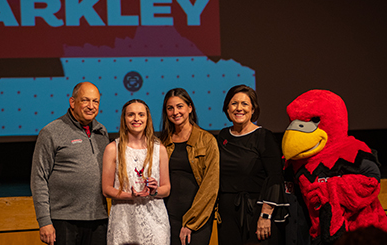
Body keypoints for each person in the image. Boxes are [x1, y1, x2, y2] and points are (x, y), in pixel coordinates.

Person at [30, 82, 110, 245]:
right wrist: (44, 221)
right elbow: (39, 178)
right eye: (85, 100)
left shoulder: (102, 132)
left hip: (98, 219)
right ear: (72, 102)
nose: (91, 106)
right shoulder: (51, 132)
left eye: (95, 101)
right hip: (64, 221)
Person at [217, 84, 289, 245]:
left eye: (245, 104)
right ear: (227, 108)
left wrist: (265, 215)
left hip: (256, 212)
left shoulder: (264, 137)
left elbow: (275, 178)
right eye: (234, 103)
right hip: (227, 216)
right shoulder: (222, 136)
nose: (239, 108)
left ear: (253, 109)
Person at [102, 99, 171, 245]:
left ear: (147, 118)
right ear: (124, 119)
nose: (136, 119)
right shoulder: (113, 149)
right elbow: (106, 189)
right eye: (131, 115)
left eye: (141, 114)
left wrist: (154, 191)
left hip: (155, 221)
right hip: (124, 221)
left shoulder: (159, 149)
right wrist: (130, 196)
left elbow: (166, 189)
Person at [160, 88, 219, 245]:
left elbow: (210, 186)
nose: (175, 112)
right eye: (170, 108)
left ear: (190, 108)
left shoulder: (207, 140)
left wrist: (191, 223)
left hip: (197, 219)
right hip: (168, 217)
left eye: (180, 106)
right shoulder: (162, 143)